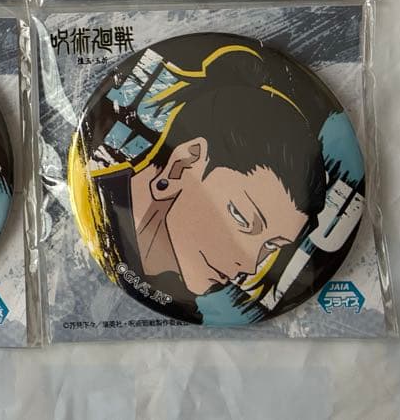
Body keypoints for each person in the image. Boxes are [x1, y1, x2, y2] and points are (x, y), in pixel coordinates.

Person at [87, 47, 327, 318]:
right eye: (240, 217)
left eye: (271, 245)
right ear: (183, 165)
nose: (249, 267)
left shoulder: (186, 302)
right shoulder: (97, 203)